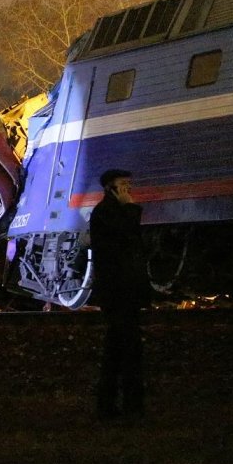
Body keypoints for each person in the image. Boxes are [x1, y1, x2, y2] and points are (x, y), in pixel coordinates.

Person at [89, 169, 152, 420]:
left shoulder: (109, 212)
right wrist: (130, 209)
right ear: (110, 189)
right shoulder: (106, 214)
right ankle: (131, 408)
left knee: (116, 350)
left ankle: (108, 407)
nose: (128, 190)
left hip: (123, 292)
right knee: (129, 351)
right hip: (119, 292)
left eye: (129, 185)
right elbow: (127, 236)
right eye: (123, 185)